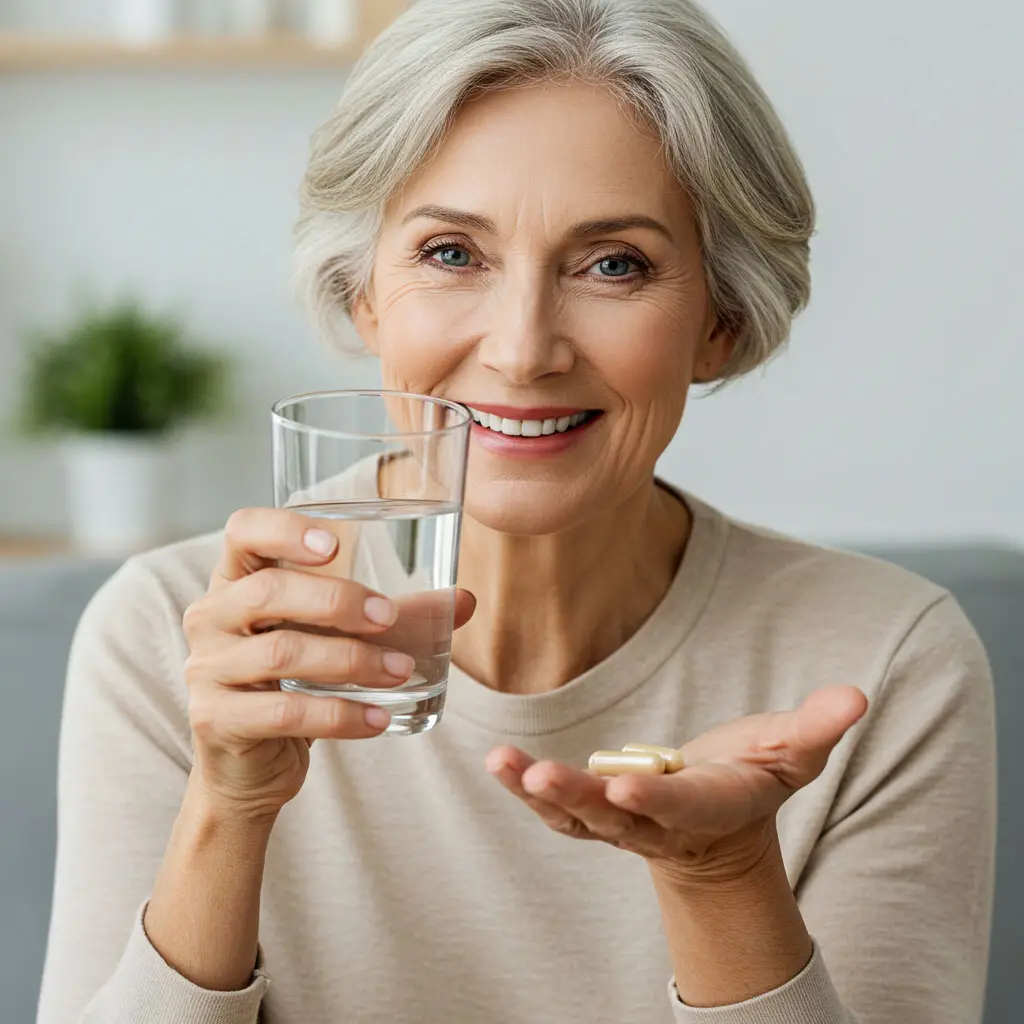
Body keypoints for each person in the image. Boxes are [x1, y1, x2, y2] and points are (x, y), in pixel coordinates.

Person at [37, 1, 996, 1022]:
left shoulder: (884, 660)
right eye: (453, 253)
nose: (522, 349)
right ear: (363, 295)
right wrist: (227, 809)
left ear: (721, 320)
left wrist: (721, 876)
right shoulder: (179, 635)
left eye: (613, 263)